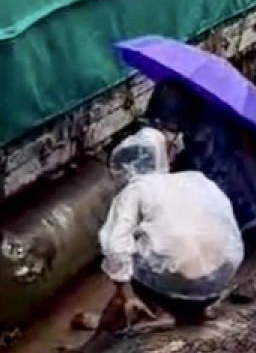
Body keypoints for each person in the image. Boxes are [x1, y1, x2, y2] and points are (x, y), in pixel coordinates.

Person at [98, 129, 244, 329]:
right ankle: (200, 308)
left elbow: (115, 245)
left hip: (172, 291)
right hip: (220, 277)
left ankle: (160, 311)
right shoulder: (195, 178)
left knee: (129, 246)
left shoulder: (135, 191)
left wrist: (122, 292)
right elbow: (225, 219)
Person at [144, 79, 256, 252]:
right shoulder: (212, 112)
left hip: (255, 210)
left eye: (166, 124)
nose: (164, 131)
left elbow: (213, 185)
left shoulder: (203, 141)